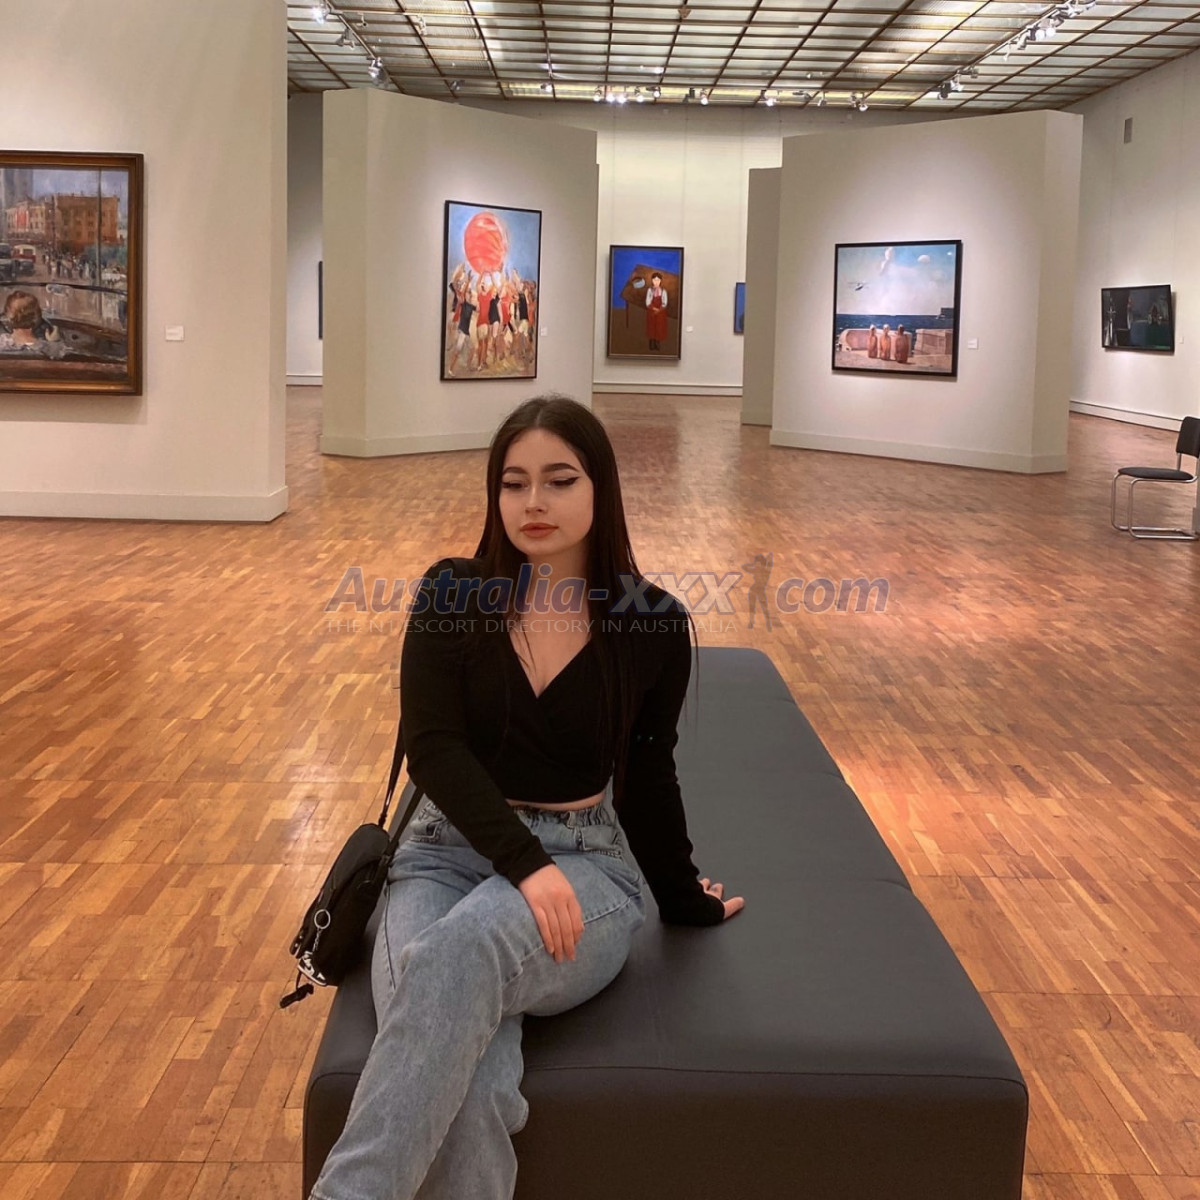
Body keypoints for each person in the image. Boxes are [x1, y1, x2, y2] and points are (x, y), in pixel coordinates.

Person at [309, 395, 744, 1200]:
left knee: (455, 955)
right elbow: (433, 748)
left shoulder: (650, 622)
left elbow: (649, 774)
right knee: (470, 1081)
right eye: (513, 484)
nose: (533, 502)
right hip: (440, 853)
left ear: (600, 487)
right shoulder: (453, 594)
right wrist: (522, 862)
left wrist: (684, 897)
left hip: (584, 864)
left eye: (559, 480)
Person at [645, 271, 668, 351]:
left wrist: (659, 310)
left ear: (660, 281)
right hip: (651, 312)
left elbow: (665, 303)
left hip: (660, 313)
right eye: (654, 280)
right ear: (652, 280)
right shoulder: (650, 290)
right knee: (651, 327)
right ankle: (651, 343)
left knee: (659, 327)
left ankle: (657, 344)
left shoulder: (663, 291)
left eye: (658, 280)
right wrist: (654, 309)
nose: (656, 282)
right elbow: (648, 302)